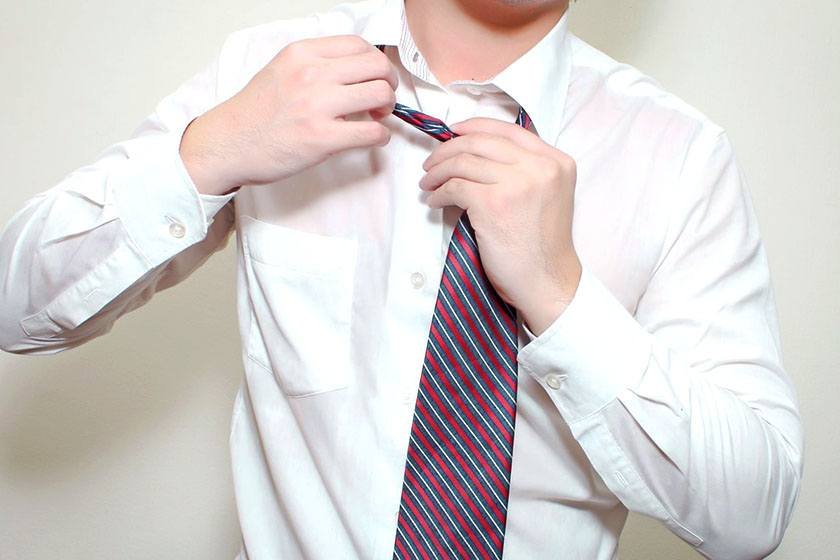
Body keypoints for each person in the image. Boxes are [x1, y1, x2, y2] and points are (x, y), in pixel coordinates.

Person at [0, 0, 803, 558]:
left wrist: (560, 293)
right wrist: (207, 155)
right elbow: (16, 307)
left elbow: (750, 517)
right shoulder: (268, 72)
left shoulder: (680, 154)